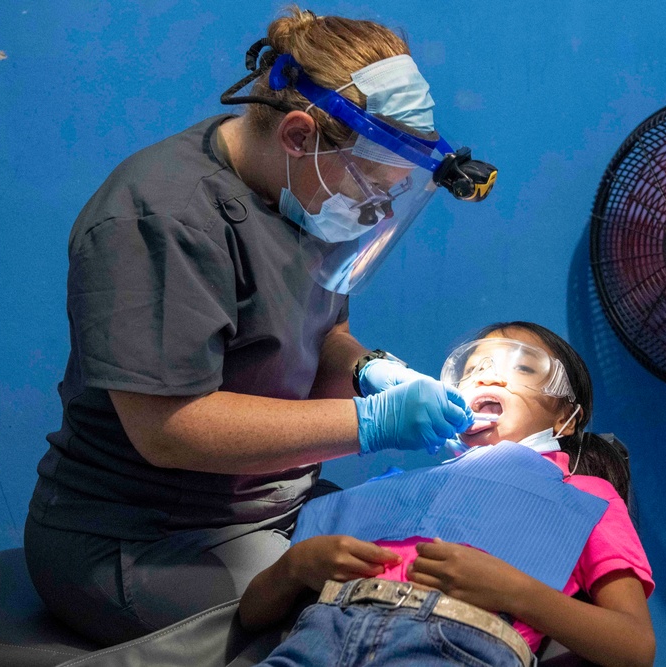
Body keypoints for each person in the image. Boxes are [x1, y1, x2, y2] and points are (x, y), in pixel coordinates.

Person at [24, 7, 495, 646]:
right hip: (144, 536)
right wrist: (374, 423)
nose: (376, 207)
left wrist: (366, 370)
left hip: (279, 508)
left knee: (444, 596)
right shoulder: (162, 218)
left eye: (391, 192)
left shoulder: (310, 192)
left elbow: (322, 329)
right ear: (298, 134)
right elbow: (170, 429)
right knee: (357, 640)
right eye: (370, 185)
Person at [240, 322, 657, 667]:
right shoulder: (394, 492)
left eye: (523, 369)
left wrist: (513, 591)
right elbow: (250, 613)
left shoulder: (585, 496)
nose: (488, 376)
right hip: (319, 635)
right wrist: (296, 566)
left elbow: (634, 647)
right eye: (473, 370)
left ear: (566, 417)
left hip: (454, 646)